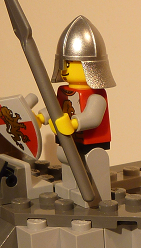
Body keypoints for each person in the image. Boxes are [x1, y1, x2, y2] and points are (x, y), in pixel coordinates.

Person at [37, 15, 114, 203]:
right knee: (67, 162)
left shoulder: (96, 95)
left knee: (92, 166)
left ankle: (98, 198)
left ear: (90, 67)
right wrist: (41, 117)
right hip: (67, 139)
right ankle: (70, 191)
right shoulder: (64, 90)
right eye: (64, 63)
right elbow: (54, 107)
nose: (65, 69)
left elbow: (93, 117)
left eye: (70, 63)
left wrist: (73, 124)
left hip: (90, 144)